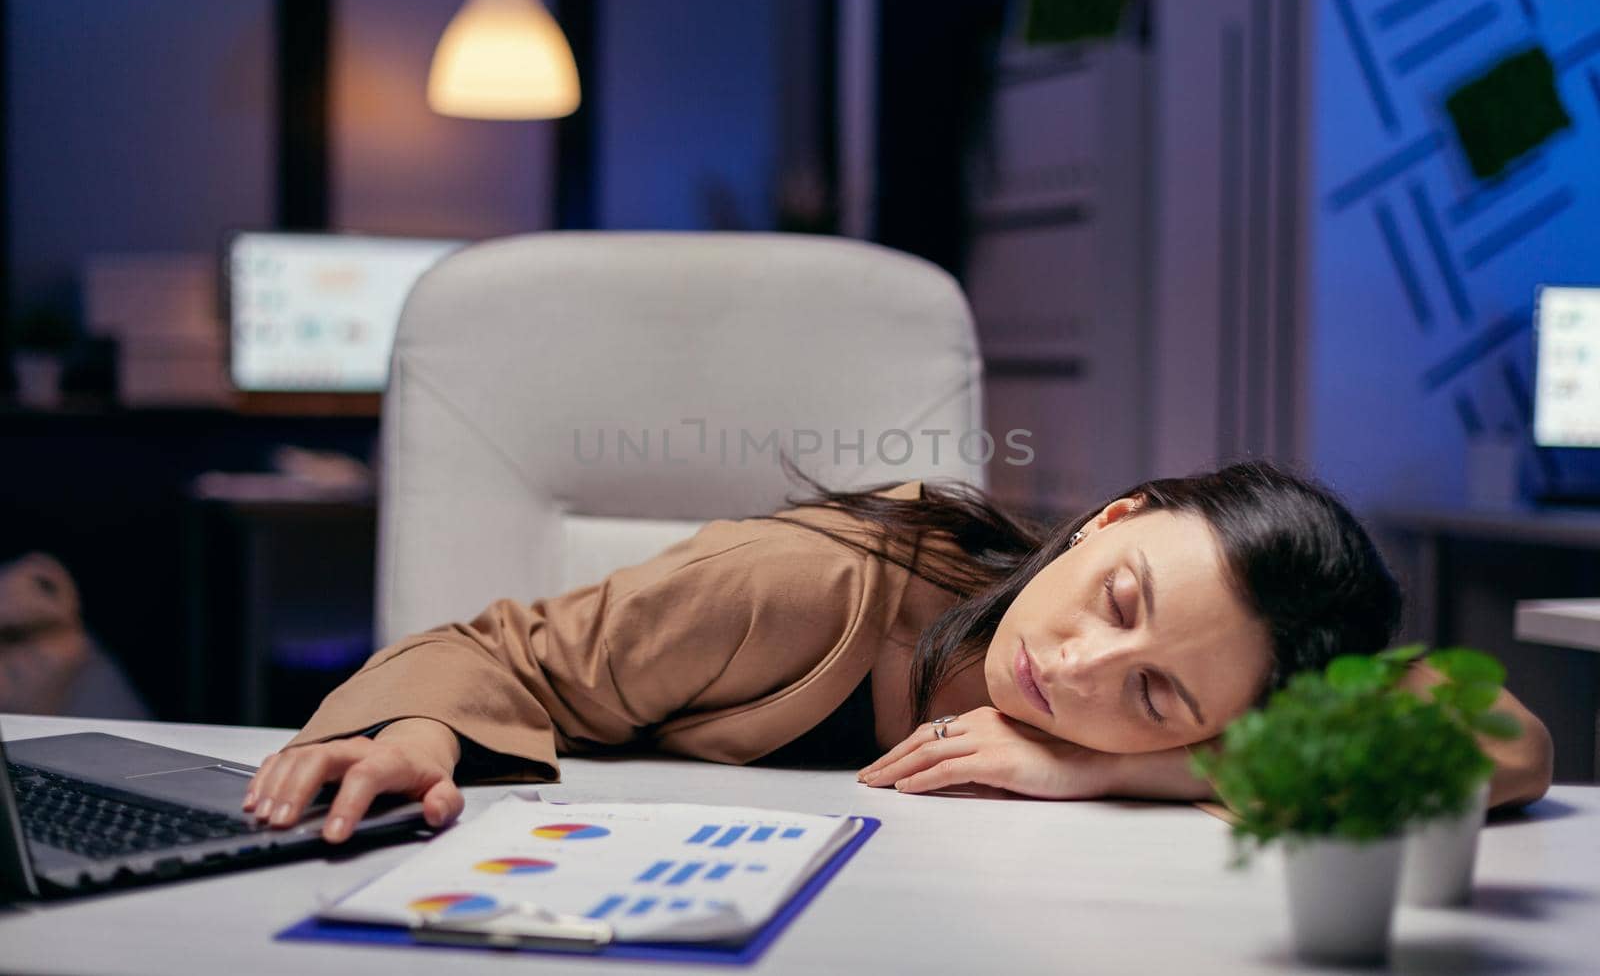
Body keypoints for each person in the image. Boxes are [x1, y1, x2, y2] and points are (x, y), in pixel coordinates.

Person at [244, 460, 1553, 844]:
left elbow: (1510, 743)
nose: (1083, 671)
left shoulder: (1161, 744)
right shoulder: (804, 586)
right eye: (1117, 593)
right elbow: (500, 655)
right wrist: (412, 731)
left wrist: (1131, 777)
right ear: (1109, 520)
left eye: (1158, 692)